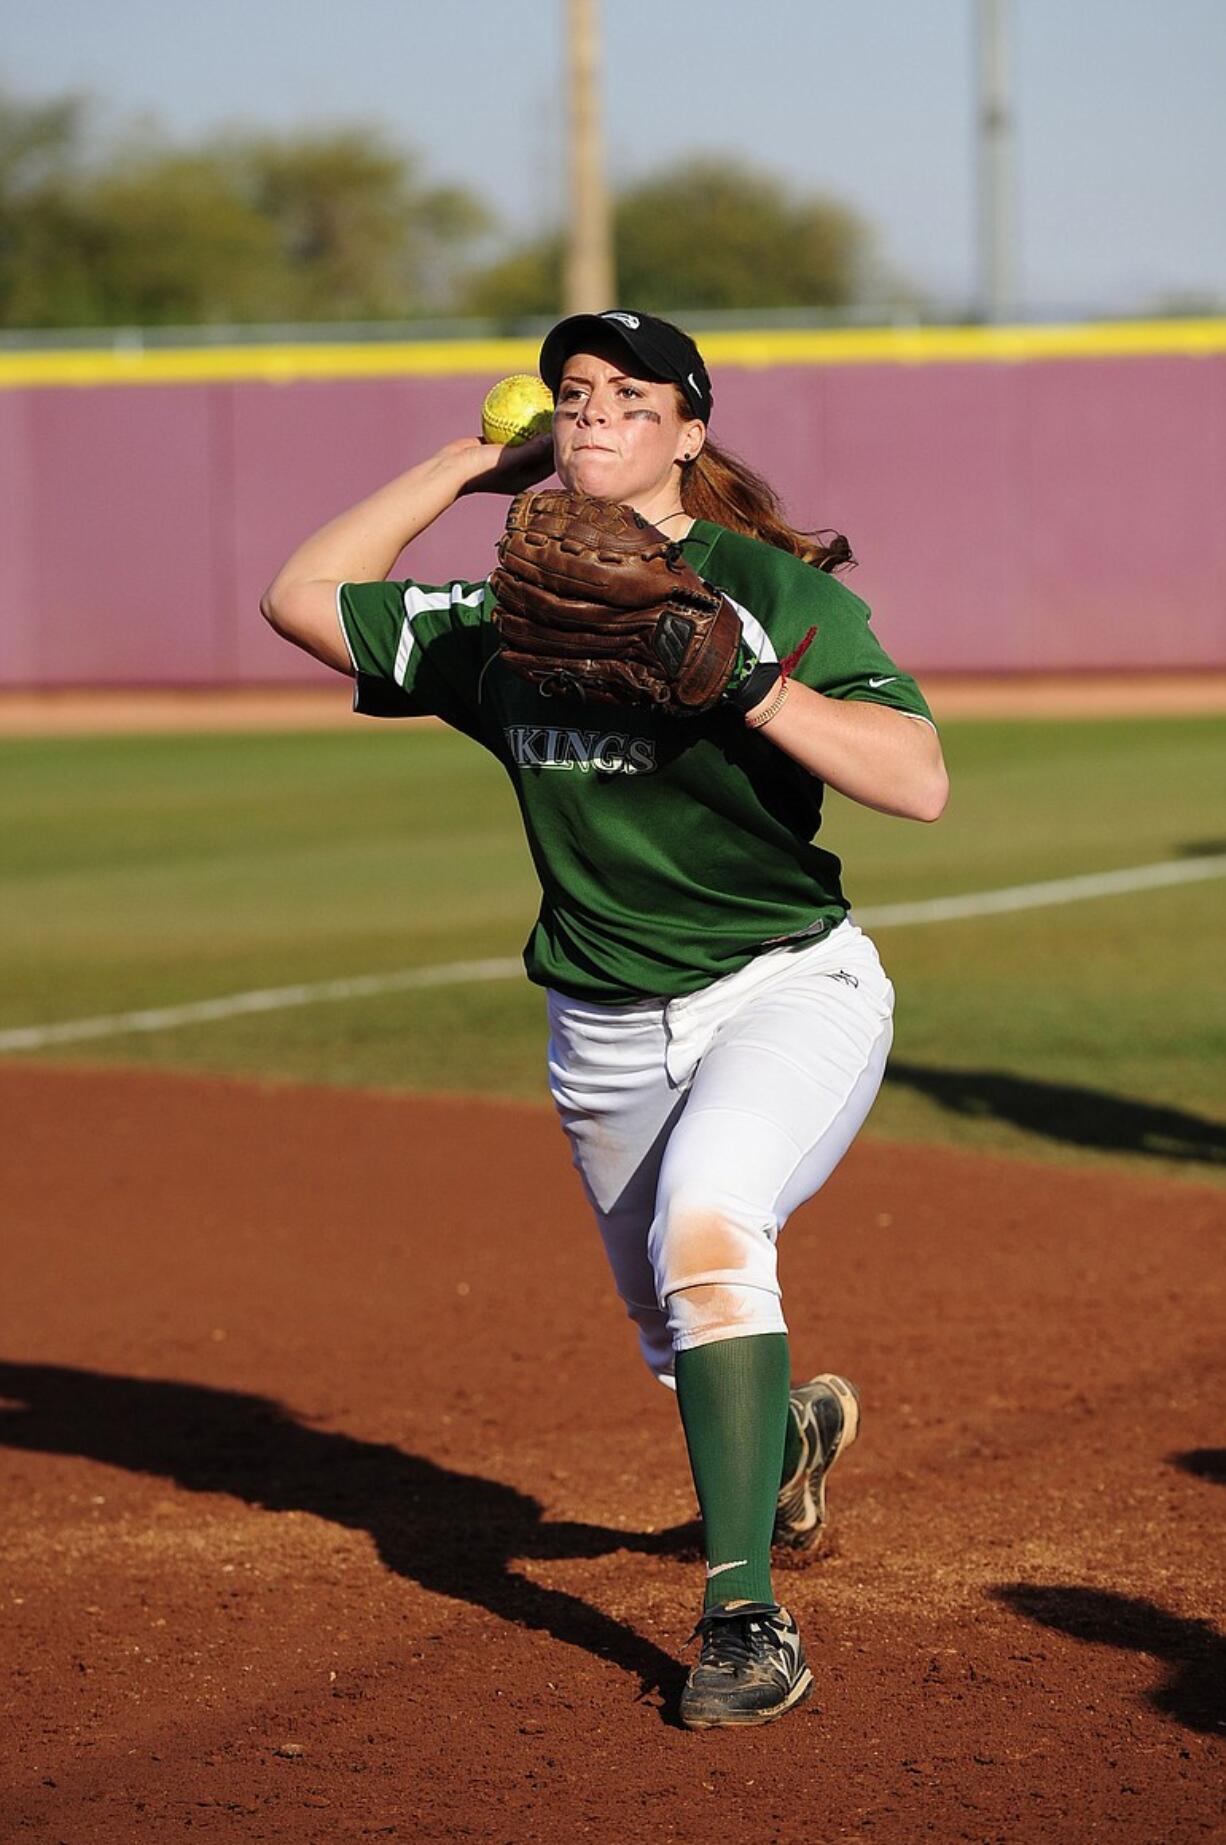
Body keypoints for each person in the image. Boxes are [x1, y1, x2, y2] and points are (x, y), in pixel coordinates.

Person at [261, 308, 948, 1730]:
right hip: (601, 1027)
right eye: (572, 393)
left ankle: (742, 1611)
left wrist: (752, 684)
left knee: (712, 1227)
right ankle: (788, 1438)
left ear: (689, 434)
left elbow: (916, 778)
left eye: (633, 397)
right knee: (675, 1332)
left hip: (781, 985)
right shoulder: (508, 610)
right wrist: (467, 462)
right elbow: (303, 596)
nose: (593, 414)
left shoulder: (764, 588)